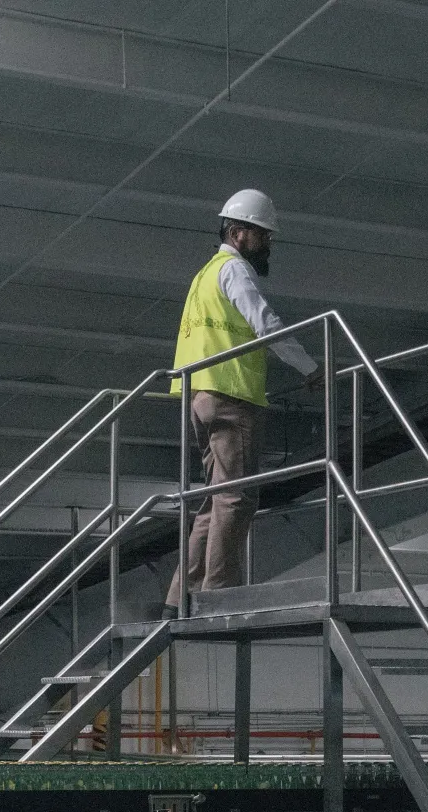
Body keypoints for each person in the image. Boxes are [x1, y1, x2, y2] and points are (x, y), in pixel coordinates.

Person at [163, 189, 319, 615]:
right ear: (238, 232)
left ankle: (179, 596)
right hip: (232, 397)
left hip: (199, 397)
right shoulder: (234, 270)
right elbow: (264, 323)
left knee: (216, 499)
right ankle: (217, 595)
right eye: (262, 235)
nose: (267, 244)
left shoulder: (204, 276)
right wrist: (309, 367)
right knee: (236, 499)